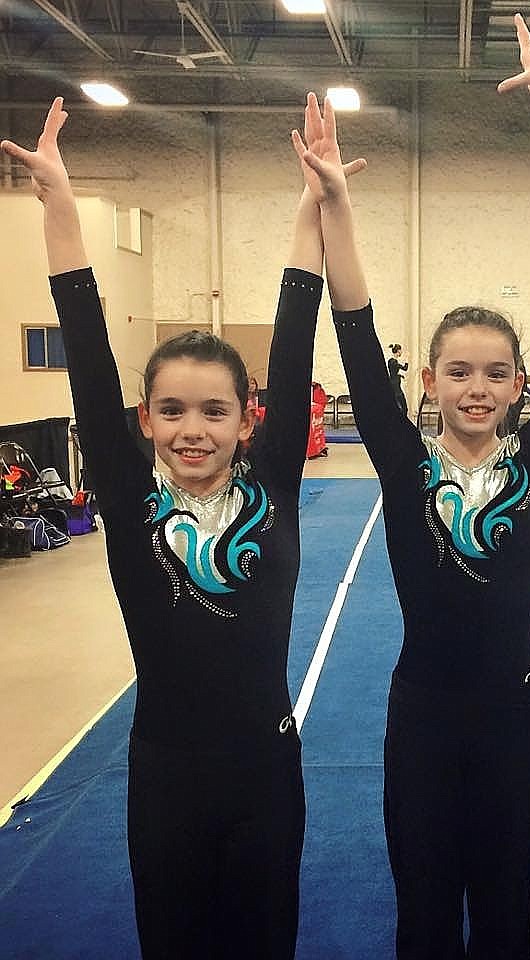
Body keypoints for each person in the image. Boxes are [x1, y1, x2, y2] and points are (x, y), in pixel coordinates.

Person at [1, 98, 362, 958]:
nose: (192, 427)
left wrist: (311, 208)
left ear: (249, 420)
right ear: (147, 421)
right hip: (165, 775)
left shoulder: (272, 482)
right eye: (172, 410)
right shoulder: (129, 500)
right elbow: (87, 353)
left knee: (265, 936)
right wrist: (59, 208)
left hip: (268, 770)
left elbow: (297, 333)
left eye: (214, 410)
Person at [291, 82, 530, 957]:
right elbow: (354, 326)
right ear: (428, 383)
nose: (478, 388)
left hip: (516, 714)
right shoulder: (405, 460)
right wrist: (336, 205)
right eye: (459, 372)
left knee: (508, 906)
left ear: (520, 386)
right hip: (423, 716)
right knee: (424, 908)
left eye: (497, 373)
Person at [387, 342, 409, 415]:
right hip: (396, 386)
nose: (401, 352)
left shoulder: (391, 361)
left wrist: (400, 375)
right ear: (398, 351)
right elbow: (405, 368)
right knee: (404, 408)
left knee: (401, 407)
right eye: (401, 350)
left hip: (394, 384)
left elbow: (393, 373)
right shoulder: (393, 361)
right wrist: (406, 360)